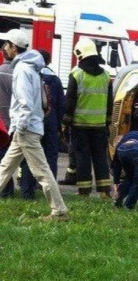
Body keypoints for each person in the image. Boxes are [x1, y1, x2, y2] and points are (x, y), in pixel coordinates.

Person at [0, 29, 68, 220]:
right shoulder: (31, 67)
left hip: (26, 129)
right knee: (5, 167)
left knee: (42, 171)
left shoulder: (22, 69)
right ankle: (59, 210)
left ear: (14, 47)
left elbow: (25, 102)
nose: (4, 47)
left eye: (6, 44)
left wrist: (19, 128)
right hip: (28, 127)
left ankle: (59, 210)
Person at [62, 37, 113, 198]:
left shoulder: (76, 74)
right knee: (100, 157)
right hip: (99, 126)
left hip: (80, 125)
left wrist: (65, 123)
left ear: (80, 55)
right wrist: (108, 123)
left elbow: (70, 101)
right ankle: (105, 191)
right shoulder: (106, 75)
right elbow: (109, 102)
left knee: (82, 157)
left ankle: (84, 191)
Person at [19, 50, 66, 199]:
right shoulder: (55, 79)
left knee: (29, 156)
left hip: (33, 120)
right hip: (51, 121)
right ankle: (48, 190)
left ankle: (27, 189)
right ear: (49, 61)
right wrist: (58, 125)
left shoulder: (31, 75)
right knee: (51, 155)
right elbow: (61, 105)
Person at [111, 129, 138, 209]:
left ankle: (118, 201)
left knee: (130, 178)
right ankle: (129, 206)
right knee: (136, 180)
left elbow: (116, 167)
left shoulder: (120, 144)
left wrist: (115, 186)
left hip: (121, 151)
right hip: (136, 149)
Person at [0, 41, 14, 198]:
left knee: (3, 158)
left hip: (2, 123)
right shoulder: (22, 71)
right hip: (16, 122)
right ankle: (27, 192)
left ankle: (6, 191)